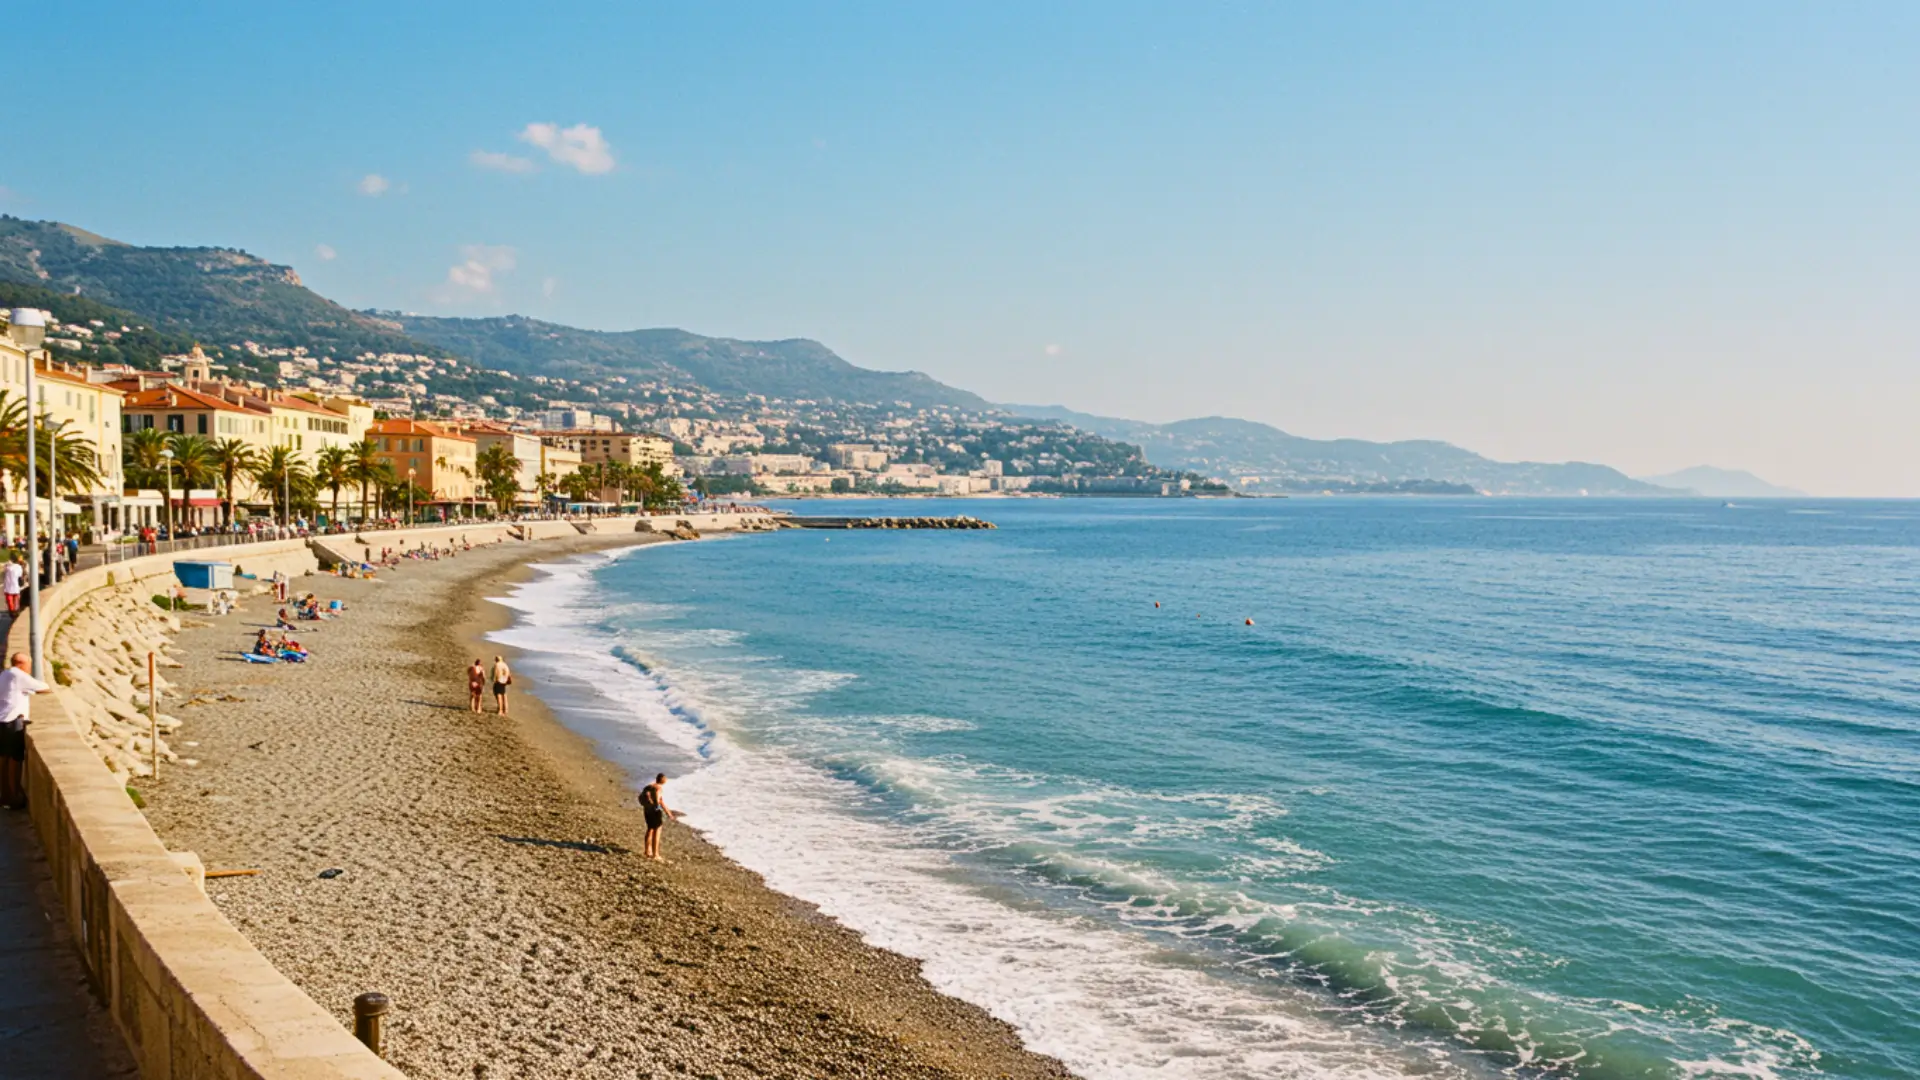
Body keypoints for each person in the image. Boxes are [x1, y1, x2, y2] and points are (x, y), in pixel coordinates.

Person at [0, 652, 52, 809]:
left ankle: (4, 796)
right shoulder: (18, 675)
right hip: (12, 722)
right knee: (14, 761)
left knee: (3, 760)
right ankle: (13, 796)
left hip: (2, 721)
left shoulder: (5, 674)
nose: (30, 669)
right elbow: (43, 687)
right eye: (29, 665)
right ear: (22, 664)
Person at [639, 773, 677, 861]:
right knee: (657, 832)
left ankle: (647, 851)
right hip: (655, 812)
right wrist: (669, 813)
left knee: (650, 829)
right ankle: (655, 854)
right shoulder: (658, 788)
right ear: (663, 780)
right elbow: (660, 801)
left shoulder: (648, 786)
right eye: (666, 779)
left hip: (647, 811)